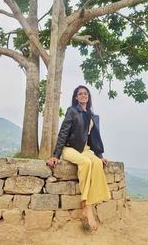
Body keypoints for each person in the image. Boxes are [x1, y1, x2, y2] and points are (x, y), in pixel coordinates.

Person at [47, 85, 110, 230]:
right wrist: (55, 155)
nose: (83, 96)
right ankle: (88, 207)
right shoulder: (72, 111)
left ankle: (88, 205)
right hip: (70, 149)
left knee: (97, 164)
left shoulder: (91, 114)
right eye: (80, 94)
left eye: (85, 94)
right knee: (86, 163)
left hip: (85, 149)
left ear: (88, 97)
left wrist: (100, 156)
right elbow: (63, 133)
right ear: (76, 97)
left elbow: (93, 137)